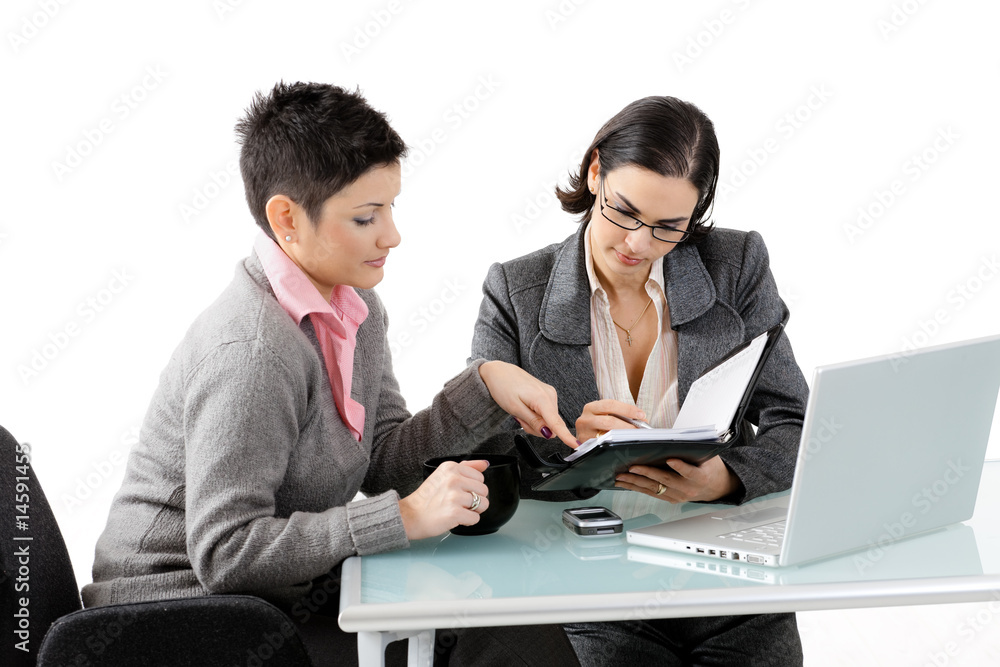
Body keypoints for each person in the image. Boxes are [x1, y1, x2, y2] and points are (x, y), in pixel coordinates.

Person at [82, 82, 580, 667]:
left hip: (273, 598)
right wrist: (403, 518)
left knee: (511, 628)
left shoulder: (355, 311)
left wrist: (487, 385)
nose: (391, 235)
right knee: (475, 640)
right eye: (366, 216)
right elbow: (226, 552)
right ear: (287, 219)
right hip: (180, 624)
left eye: (391, 208)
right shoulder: (252, 352)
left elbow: (385, 462)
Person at [470, 96, 810, 665]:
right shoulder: (514, 290)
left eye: (668, 227)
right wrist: (564, 440)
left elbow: (797, 423)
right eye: (623, 212)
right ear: (596, 171)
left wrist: (726, 479)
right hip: (593, 586)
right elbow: (478, 458)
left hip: (731, 578)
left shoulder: (737, 264)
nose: (639, 244)